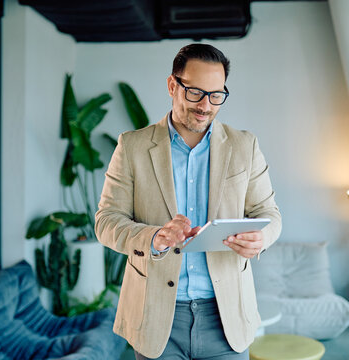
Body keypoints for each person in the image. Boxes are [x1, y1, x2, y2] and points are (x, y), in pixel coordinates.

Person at [95, 43, 281, 360]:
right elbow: (106, 221)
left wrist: (261, 237)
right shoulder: (132, 146)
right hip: (156, 316)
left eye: (216, 95)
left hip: (226, 317)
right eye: (194, 92)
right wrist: (153, 237)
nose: (205, 105)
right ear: (173, 85)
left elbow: (269, 214)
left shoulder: (244, 145)